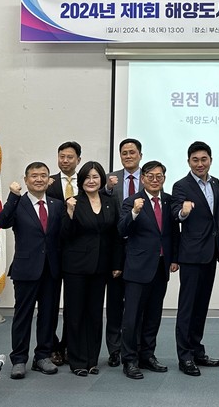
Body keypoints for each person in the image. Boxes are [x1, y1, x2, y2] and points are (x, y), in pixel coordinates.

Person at [0, 162, 63, 379]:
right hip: (26, 269)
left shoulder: (57, 205)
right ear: (26, 180)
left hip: (51, 269)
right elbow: (2, 222)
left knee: (48, 315)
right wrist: (13, 196)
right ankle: (19, 359)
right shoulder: (18, 203)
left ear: (49, 180)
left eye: (43, 175)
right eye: (34, 176)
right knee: (23, 315)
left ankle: (43, 356)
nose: (39, 179)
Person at [118, 161, 180, 380]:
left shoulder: (169, 201)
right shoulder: (132, 201)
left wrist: (174, 258)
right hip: (138, 268)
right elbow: (122, 229)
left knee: (154, 315)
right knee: (132, 317)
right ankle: (130, 359)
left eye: (159, 176)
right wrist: (134, 213)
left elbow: (173, 233)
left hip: (161, 267)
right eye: (150, 176)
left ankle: (147, 354)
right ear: (142, 178)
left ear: (164, 178)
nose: (155, 180)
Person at [61, 161, 122, 376]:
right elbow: (64, 235)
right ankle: (77, 361)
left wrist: (116, 263)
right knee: (75, 314)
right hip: (75, 267)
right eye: (87, 177)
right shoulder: (73, 202)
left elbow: (115, 235)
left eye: (95, 177)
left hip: (101, 267)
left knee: (95, 314)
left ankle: (92, 359)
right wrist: (69, 213)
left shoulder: (110, 202)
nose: (91, 181)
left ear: (102, 180)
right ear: (81, 180)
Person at [172, 141, 219, 376]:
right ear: (188, 161)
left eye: (204, 159)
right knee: (187, 308)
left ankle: (196, 350)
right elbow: (176, 214)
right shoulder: (181, 185)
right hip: (191, 255)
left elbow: (217, 219)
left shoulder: (215, 183)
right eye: (195, 160)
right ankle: (184, 356)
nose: (200, 164)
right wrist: (183, 212)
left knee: (201, 306)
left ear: (210, 160)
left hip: (210, 254)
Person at [104, 138, 143, 367]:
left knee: (137, 304)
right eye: (124, 153)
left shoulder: (149, 178)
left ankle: (135, 346)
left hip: (141, 247)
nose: (128, 156)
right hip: (115, 248)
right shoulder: (111, 179)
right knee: (115, 302)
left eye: (132, 152)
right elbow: (99, 201)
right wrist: (108, 188)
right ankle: (115, 349)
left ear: (140, 155)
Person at [45, 140, 82, 366]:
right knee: (49, 303)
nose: (65, 161)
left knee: (73, 304)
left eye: (70, 157)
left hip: (77, 252)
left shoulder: (87, 182)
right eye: (62, 157)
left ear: (78, 159)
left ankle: (69, 345)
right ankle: (51, 346)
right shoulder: (48, 183)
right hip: (52, 251)